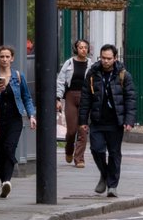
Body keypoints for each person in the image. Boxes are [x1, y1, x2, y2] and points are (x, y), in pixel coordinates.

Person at [77, 44, 136, 198]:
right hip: (97, 120)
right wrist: (83, 120)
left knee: (115, 154)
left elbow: (130, 99)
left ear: (115, 58)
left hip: (115, 121)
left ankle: (112, 186)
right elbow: (85, 98)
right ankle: (105, 174)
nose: (105, 61)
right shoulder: (92, 74)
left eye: (109, 58)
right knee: (96, 150)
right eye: (103, 58)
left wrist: (129, 120)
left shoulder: (124, 75)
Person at [0, 45, 36, 197]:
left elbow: (26, 97)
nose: (4, 59)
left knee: (9, 147)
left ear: (12, 58)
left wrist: (31, 115)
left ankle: (7, 182)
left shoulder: (18, 76)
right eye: (2, 56)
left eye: (7, 57)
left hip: (14, 118)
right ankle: (3, 182)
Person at [56, 39, 91, 167]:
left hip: (85, 97)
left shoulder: (91, 65)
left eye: (85, 47)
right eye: (80, 47)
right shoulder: (69, 63)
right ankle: (69, 149)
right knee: (71, 131)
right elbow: (60, 80)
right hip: (71, 96)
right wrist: (58, 98)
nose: (83, 49)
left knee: (83, 129)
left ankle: (79, 158)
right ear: (76, 49)